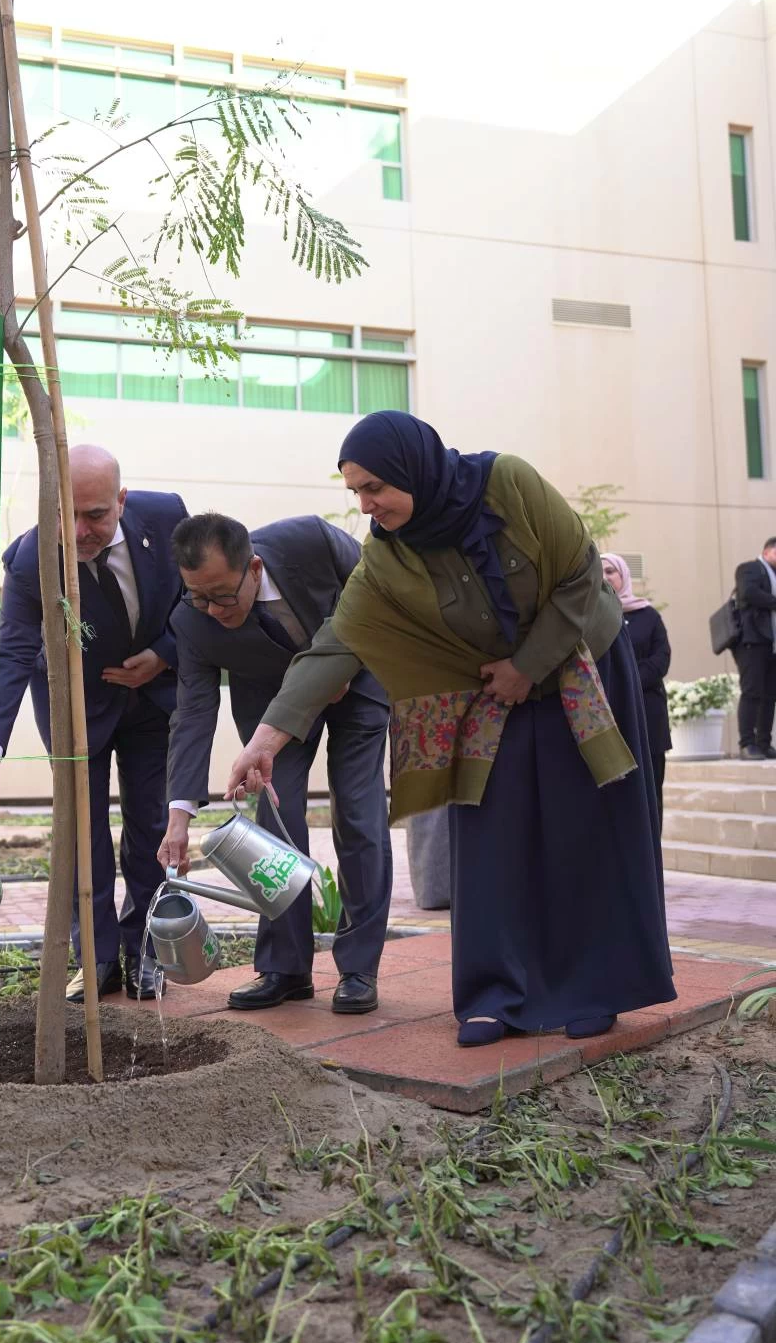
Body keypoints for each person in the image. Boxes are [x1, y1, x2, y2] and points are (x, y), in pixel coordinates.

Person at [227, 412, 675, 1047]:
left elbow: (581, 571)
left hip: (581, 669)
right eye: (354, 491)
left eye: (375, 487)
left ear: (415, 468)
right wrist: (265, 740)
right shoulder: (386, 555)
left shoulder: (508, 482)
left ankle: (594, 987)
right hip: (491, 690)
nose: (366, 504)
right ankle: (496, 994)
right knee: (491, 836)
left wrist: (527, 665)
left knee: (583, 831)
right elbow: (337, 643)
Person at [0, 445, 187, 1003]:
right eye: (67, 514)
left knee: (150, 828)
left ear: (122, 502)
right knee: (83, 834)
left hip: (151, 697)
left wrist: (165, 653)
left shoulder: (168, 516)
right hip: (73, 706)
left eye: (97, 515)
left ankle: (146, 953)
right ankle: (99, 958)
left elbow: (193, 601)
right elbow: (10, 655)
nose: (80, 530)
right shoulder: (33, 559)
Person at [159, 512, 392, 1014]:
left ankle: (358, 969)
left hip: (360, 680)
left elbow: (375, 591)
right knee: (275, 822)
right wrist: (179, 814)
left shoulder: (311, 541)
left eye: (222, 595)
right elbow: (194, 713)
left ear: (255, 567)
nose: (212, 610)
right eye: (198, 596)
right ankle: (285, 969)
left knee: (357, 812)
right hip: (271, 708)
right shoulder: (190, 620)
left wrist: (346, 658)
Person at [601, 554, 671, 827]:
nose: (605, 577)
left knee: (652, 790)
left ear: (623, 576)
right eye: (599, 572)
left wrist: (626, 680)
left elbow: (661, 659)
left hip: (648, 712)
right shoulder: (592, 618)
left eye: (610, 571)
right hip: (611, 716)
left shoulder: (648, 615)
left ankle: (653, 860)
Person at [734, 540, 776, 760]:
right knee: (751, 692)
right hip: (752, 640)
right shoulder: (749, 568)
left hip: (772, 643)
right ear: (767, 551)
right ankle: (747, 743)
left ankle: (764, 743)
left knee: (770, 695)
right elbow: (749, 592)